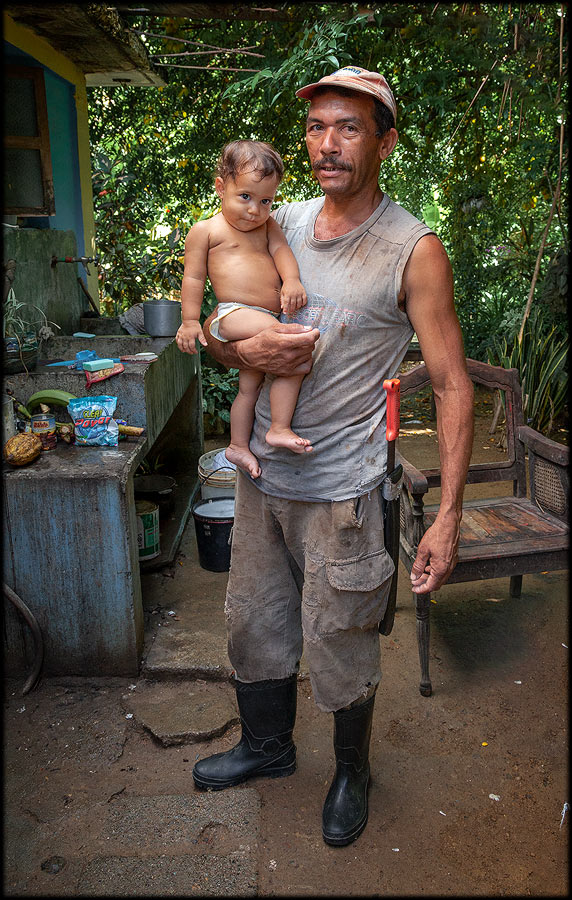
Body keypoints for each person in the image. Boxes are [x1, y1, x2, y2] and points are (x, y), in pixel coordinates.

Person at [191, 65, 474, 847]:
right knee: (255, 619)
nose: (327, 144)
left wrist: (447, 517)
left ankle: (353, 771)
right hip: (263, 476)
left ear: (385, 142)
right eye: (316, 128)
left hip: (344, 489)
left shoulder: (411, 248)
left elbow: (452, 385)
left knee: (341, 634)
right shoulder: (270, 218)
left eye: (348, 128)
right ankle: (267, 749)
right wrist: (225, 338)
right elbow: (218, 326)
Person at [176, 140, 313, 479]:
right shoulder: (206, 230)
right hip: (233, 314)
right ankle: (276, 427)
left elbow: (281, 251)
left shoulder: (268, 226)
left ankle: (241, 444)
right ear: (221, 187)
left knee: (260, 382)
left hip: (263, 318)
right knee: (290, 344)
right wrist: (190, 321)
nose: (255, 210)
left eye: (266, 201)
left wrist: (292, 280)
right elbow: (193, 278)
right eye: (246, 197)